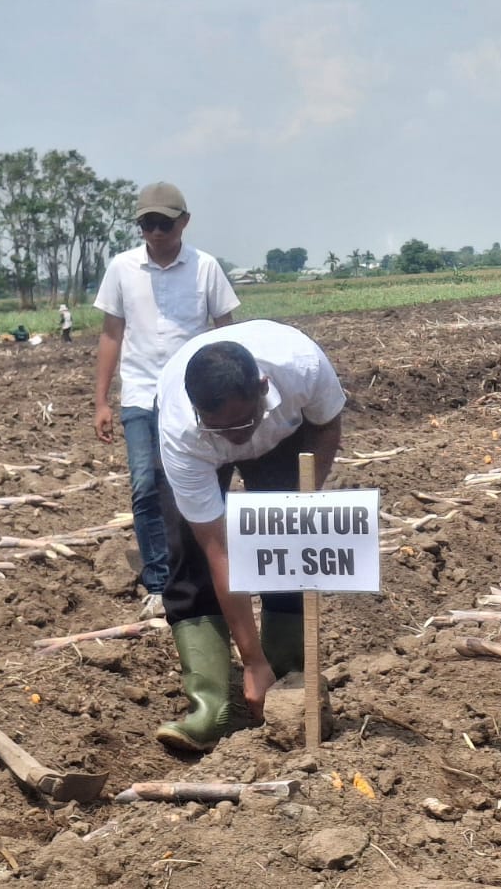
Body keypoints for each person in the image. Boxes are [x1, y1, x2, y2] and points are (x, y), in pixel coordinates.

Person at [151, 320, 345, 751]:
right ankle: (211, 705)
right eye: (220, 428)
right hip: (198, 452)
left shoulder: (302, 367)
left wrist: (302, 502)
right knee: (190, 561)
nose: (235, 439)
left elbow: (328, 425)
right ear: (196, 409)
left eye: (243, 422)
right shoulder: (182, 429)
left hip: (284, 437)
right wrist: (251, 661)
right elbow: (219, 550)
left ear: (263, 387)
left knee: (287, 546)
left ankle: (289, 682)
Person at [93, 182, 236, 619]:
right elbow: (111, 334)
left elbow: (227, 331)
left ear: (184, 222)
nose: (155, 232)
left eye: (164, 224)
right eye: (147, 224)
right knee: (145, 485)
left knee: (197, 483)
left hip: (192, 397)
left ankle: (205, 571)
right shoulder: (122, 268)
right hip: (139, 392)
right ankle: (159, 582)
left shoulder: (205, 268)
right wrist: (101, 401)